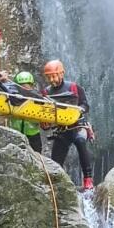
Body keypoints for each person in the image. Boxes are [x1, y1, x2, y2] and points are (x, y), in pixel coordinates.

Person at [41, 60, 95, 191]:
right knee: (55, 161)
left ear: (61, 74)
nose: (52, 80)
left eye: (54, 76)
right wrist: (44, 123)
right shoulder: (46, 93)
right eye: (49, 77)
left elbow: (85, 105)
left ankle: (88, 179)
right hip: (61, 130)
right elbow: (43, 112)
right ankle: (58, 184)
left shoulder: (74, 88)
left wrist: (78, 110)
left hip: (77, 126)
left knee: (81, 142)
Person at [6, 71, 43, 152]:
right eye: (22, 86)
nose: (25, 89)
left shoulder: (37, 99)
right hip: (15, 133)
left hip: (33, 135)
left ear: (32, 86)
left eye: (27, 86)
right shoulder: (12, 98)